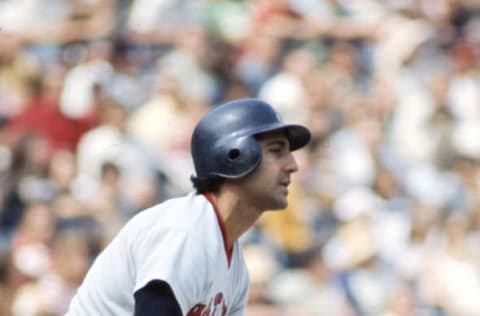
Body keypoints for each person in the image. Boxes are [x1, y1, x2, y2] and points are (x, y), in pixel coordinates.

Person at [65, 98, 311, 315]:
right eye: (277, 151)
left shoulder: (233, 265)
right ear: (235, 155)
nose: (292, 165)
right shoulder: (185, 232)